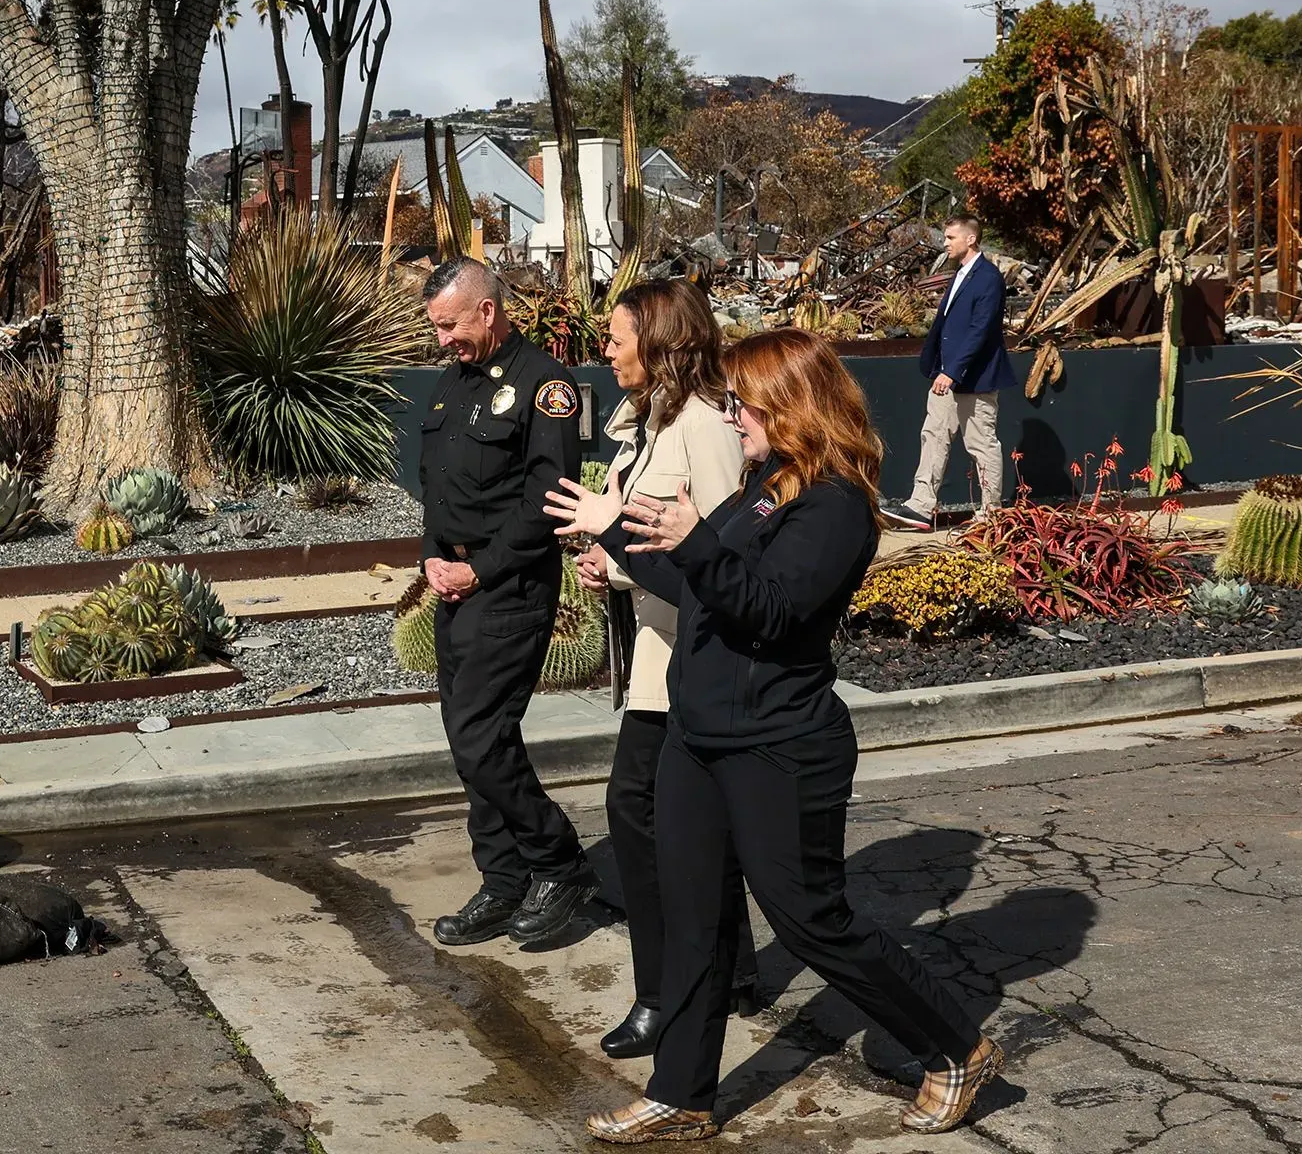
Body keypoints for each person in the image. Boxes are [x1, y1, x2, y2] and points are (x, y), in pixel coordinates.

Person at [576, 328, 1003, 1142]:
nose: (733, 415)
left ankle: (955, 1046)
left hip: (778, 743)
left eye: (742, 401)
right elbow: (707, 593)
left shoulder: (836, 505)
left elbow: (769, 608)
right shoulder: (765, 485)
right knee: (692, 914)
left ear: (789, 404)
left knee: (809, 919)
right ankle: (682, 1092)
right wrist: (617, 532)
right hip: (699, 733)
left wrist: (697, 540)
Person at [547, 278, 757, 1061]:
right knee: (695, 824)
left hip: (690, 662)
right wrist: (609, 558)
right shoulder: (642, 421)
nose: (604, 349)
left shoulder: (705, 426)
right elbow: (646, 530)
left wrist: (622, 554)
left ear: (661, 340)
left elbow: (726, 553)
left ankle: (662, 994)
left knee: (635, 815)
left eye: (616, 337)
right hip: (653, 657)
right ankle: (728, 972)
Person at [416, 258, 596, 947]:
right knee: (472, 745)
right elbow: (439, 485)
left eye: (451, 326)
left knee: (481, 739)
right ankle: (502, 878)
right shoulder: (452, 384)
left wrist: (479, 572)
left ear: (487, 311)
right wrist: (433, 554)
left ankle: (560, 863)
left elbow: (547, 500)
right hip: (455, 587)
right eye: (436, 328)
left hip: (509, 588)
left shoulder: (545, 386)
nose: (443, 341)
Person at [881, 216, 1019, 532]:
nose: (945, 242)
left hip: (974, 379)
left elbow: (980, 331)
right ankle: (920, 507)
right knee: (933, 437)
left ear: (970, 239)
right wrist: (941, 368)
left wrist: (953, 372)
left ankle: (991, 515)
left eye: (950, 237)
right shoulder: (960, 274)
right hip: (946, 376)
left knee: (981, 445)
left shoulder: (988, 278)